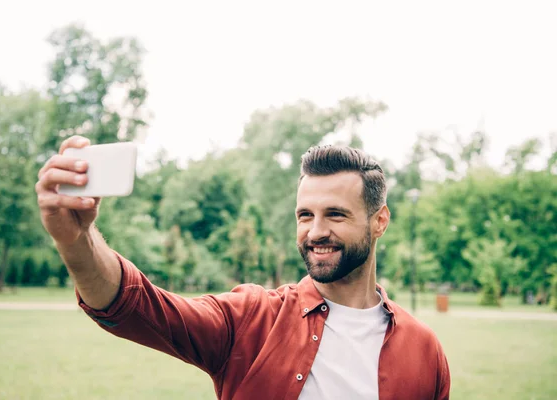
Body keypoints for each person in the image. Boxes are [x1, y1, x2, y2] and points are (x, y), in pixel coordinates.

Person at [35, 135, 450, 400]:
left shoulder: (424, 350)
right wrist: (77, 243)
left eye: (336, 215)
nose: (315, 231)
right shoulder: (251, 319)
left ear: (380, 221)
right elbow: (136, 308)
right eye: (305, 215)